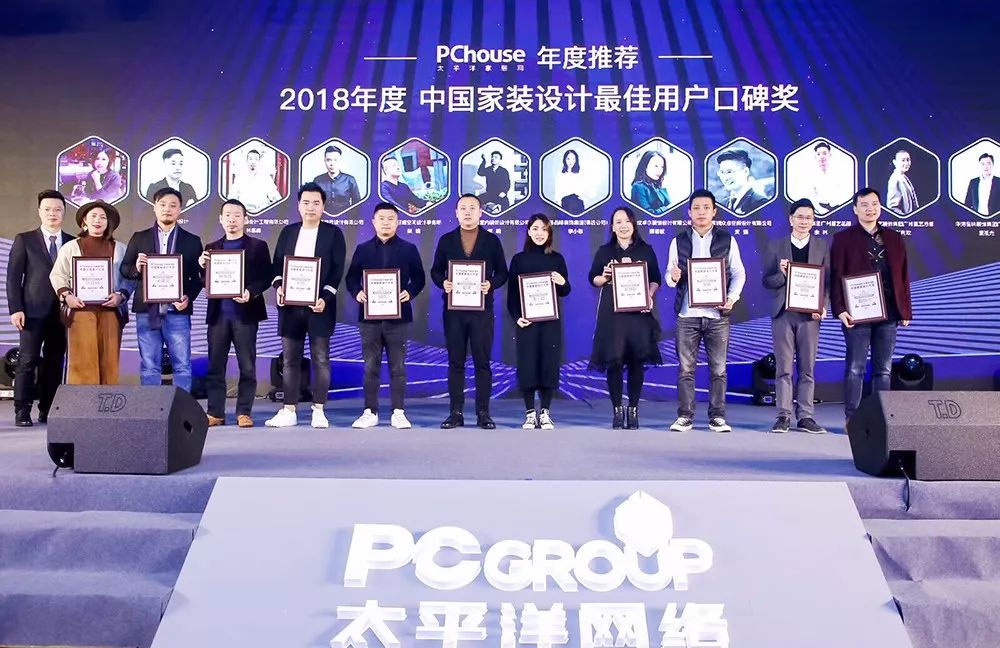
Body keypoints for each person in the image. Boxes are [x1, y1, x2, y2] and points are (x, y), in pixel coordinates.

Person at [665, 189, 747, 433]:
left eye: (706, 208)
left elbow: (739, 273)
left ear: (714, 211)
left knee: (718, 370)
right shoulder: (678, 241)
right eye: (696, 208)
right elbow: (669, 276)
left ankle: (717, 416)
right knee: (686, 370)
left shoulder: (727, 240)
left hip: (717, 316)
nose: (701, 212)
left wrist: (731, 298)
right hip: (687, 315)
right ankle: (685, 416)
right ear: (689, 212)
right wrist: (674, 276)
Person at [266, 182, 346, 428]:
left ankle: (318, 409)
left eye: (316, 203)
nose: (311, 207)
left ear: (323, 206)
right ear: (299, 206)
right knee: (290, 360)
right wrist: (279, 287)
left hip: (320, 307)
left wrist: (325, 298)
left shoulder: (333, 233)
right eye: (306, 202)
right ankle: (288, 409)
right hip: (290, 308)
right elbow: (277, 265)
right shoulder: (288, 232)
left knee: (321, 358)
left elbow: (336, 270)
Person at [831, 188, 912, 423]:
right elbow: (836, 276)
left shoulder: (895, 238)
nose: (871, 209)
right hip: (856, 313)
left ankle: (880, 419)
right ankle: (852, 419)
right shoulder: (843, 239)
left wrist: (905, 309)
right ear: (855, 209)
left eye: (875, 204)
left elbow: (904, 276)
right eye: (865, 205)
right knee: (855, 367)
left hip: (889, 312)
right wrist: (840, 309)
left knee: (883, 369)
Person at [345, 202, 426, 429]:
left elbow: (419, 278)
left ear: (398, 222)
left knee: (397, 367)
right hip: (369, 318)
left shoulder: (408, 249)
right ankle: (370, 411)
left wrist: (409, 292)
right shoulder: (363, 249)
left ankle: (398, 412)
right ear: (373, 222)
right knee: (370, 366)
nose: (386, 223)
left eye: (391, 219)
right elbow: (351, 278)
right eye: (381, 219)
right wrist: (357, 292)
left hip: (398, 318)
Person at [430, 193, 508, 429]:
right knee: (456, 362)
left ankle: (483, 413)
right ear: (456, 213)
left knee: (482, 362)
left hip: (481, 311)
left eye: (472, 208)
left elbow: (503, 273)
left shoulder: (491, 241)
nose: (467, 212)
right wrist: (443, 282)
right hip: (454, 311)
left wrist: (490, 284)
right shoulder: (446, 240)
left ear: (480, 212)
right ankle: (455, 413)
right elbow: (435, 271)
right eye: (462, 208)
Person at [121, 187, 204, 393]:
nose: (167, 209)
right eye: (163, 204)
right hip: (147, 309)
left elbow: (198, 278)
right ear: (155, 207)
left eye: (173, 205)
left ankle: (181, 406)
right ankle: (152, 406)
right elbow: (125, 269)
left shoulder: (192, 241)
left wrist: (188, 297)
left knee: (182, 363)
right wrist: (137, 268)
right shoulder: (139, 237)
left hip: (178, 310)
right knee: (149, 364)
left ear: (180, 209)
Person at [198, 199, 272, 428]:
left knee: (247, 366)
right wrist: (202, 266)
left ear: (245, 219)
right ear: (221, 219)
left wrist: (251, 292)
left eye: (237, 215)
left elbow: (266, 277)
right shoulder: (211, 248)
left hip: (246, 314)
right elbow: (205, 282)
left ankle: (244, 412)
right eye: (227, 215)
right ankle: (215, 412)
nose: (232, 219)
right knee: (215, 366)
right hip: (218, 315)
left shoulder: (258, 246)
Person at [588, 206, 662, 429]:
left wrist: (649, 295)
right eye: (618, 222)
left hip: (638, 315)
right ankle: (617, 410)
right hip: (612, 315)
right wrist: (604, 277)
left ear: (633, 224)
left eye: (627, 221)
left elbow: (656, 279)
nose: (623, 226)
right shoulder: (604, 251)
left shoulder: (645, 250)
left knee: (636, 361)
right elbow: (593, 279)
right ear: (612, 227)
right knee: (615, 361)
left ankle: (633, 409)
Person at [761, 198, 829, 434]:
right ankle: (783, 415)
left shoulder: (822, 246)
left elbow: (827, 281)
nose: (804, 221)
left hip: (810, 315)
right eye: (800, 217)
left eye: (809, 217)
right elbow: (767, 281)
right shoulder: (776, 246)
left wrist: (823, 305)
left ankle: (806, 416)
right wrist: (781, 274)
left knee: (807, 368)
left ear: (813, 221)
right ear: (791, 219)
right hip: (783, 313)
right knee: (784, 367)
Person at [6, 190, 73, 426]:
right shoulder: (24, 239)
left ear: (64, 212)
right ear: (39, 212)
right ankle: (22, 410)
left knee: (55, 362)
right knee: (27, 361)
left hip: (63, 313)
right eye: (47, 209)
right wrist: (15, 308)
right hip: (31, 312)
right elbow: (13, 278)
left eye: (57, 209)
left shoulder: (73, 242)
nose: (52, 213)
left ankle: (48, 409)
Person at [49, 201, 133, 385]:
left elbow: (129, 277)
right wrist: (67, 296)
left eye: (103, 217)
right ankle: (82, 401)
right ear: (84, 221)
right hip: (80, 311)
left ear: (108, 223)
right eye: (93, 216)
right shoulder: (70, 247)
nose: (98, 220)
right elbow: (58, 275)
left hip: (111, 312)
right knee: (82, 362)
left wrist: (121, 295)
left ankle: (109, 400)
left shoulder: (120, 248)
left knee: (109, 362)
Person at [507, 214, 571, 429]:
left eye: (544, 229)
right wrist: (517, 317)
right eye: (535, 228)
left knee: (548, 365)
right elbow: (512, 295)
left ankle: (545, 412)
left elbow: (565, 291)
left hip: (550, 322)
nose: (539, 233)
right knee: (527, 365)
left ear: (549, 232)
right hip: (527, 322)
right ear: (528, 231)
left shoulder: (557, 259)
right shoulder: (519, 260)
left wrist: (562, 281)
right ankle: (529, 413)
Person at [227, 149, 282, 213]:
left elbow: (274, 195)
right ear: (247, 161)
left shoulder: (266, 177)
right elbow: (232, 196)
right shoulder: (239, 177)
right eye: (250, 159)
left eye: (256, 159)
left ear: (259, 162)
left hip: (262, 211)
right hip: (244, 212)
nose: (253, 162)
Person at [312, 145, 362, 214]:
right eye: (328, 160)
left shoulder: (350, 180)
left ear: (340, 161)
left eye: (335, 160)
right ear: (325, 161)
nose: (332, 164)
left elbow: (357, 203)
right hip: (322, 218)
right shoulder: (317, 180)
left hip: (345, 218)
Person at [716, 149, 768, 215]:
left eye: (729, 172)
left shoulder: (761, 203)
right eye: (722, 172)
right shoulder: (722, 204)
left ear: (745, 172)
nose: (725, 178)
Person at [808, 141, 848, 215]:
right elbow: (811, 197)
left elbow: (845, 193)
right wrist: (821, 211)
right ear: (815, 157)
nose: (822, 157)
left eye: (824, 153)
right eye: (818, 154)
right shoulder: (811, 175)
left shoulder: (839, 173)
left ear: (830, 155)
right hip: (820, 210)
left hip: (838, 208)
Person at [629, 150, 671, 215]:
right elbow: (647, 214)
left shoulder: (656, 185)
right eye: (656, 166)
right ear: (645, 167)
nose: (660, 170)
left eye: (662, 167)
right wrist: (665, 209)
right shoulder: (638, 187)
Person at [964, 152, 1000, 216]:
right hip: (976, 219)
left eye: (988, 163)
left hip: (995, 219)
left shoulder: (998, 181)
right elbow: (967, 203)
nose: (986, 166)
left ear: (993, 165)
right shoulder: (973, 182)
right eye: (983, 164)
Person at [553, 149, 588, 214]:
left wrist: (583, 196)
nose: (570, 161)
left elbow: (585, 190)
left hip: (577, 202)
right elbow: (557, 191)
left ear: (576, 160)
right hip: (565, 203)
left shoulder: (580, 173)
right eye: (568, 159)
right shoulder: (560, 174)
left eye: (573, 159)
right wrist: (558, 204)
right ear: (565, 160)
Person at [886, 149, 918, 216]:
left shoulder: (903, 177)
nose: (906, 163)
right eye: (903, 160)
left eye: (908, 160)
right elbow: (892, 207)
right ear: (895, 162)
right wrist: (905, 218)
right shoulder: (895, 179)